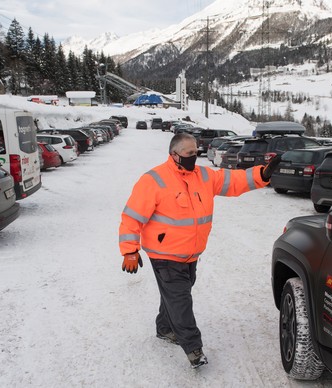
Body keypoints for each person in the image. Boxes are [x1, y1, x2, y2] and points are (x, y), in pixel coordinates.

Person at [118, 133, 281, 368]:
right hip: (164, 255)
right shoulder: (154, 180)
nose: (194, 157)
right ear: (173, 155)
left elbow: (232, 180)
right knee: (181, 300)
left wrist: (261, 174)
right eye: (188, 154)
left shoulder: (203, 175)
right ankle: (193, 347)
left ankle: (165, 328)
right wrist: (129, 250)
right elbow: (131, 217)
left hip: (191, 254)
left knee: (175, 296)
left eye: (195, 152)